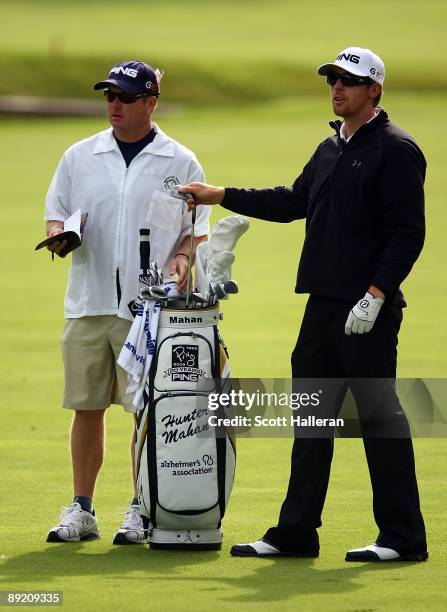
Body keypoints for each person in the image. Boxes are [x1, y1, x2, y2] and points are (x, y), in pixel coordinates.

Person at [179, 47, 428, 562]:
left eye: (349, 81)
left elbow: (409, 234)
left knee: (378, 419)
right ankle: (296, 532)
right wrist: (221, 194)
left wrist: (377, 295)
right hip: (322, 308)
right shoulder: (329, 149)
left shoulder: (396, 149)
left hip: (367, 310)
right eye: (333, 80)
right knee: (312, 420)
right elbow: (293, 201)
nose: (338, 88)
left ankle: (403, 539)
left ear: (374, 90)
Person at [45, 60, 210, 543]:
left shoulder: (180, 161)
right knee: (86, 407)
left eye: (126, 96)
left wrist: (183, 257)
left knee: (148, 410)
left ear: (150, 102)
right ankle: (82, 509)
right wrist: (59, 236)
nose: (114, 104)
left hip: (150, 309)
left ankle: (141, 506)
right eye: (109, 96)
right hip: (89, 301)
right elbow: (55, 214)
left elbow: (194, 231)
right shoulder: (80, 156)